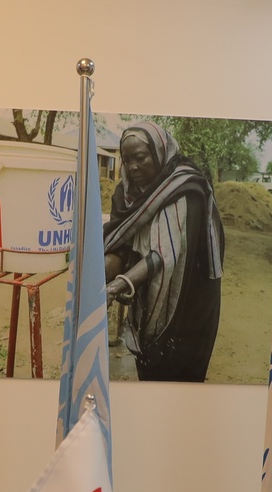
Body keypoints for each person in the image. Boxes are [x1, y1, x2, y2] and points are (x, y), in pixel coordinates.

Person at [103, 122, 225, 382]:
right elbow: (121, 244)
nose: (133, 167)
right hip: (146, 294)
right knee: (147, 368)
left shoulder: (185, 189)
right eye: (127, 160)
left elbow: (165, 254)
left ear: (159, 152)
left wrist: (118, 285)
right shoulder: (126, 195)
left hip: (189, 302)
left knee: (179, 377)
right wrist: (104, 274)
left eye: (140, 157)